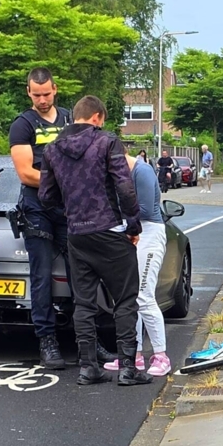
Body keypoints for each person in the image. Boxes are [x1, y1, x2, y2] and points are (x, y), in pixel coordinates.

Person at [39, 95, 152, 387]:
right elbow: (124, 187)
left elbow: (45, 196)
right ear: (97, 117)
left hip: (77, 235)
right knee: (126, 300)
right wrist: (133, 224)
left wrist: (70, 213)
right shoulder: (107, 142)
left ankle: (88, 367)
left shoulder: (52, 149)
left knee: (84, 303)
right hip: (111, 231)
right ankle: (128, 368)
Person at [9, 68, 72, 370]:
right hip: (37, 208)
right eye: (37, 95)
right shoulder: (23, 125)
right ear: (28, 92)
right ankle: (47, 341)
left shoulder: (70, 120)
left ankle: (90, 340)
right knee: (42, 276)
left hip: (71, 208)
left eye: (46, 94)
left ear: (55, 89)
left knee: (83, 273)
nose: (43, 99)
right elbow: (25, 173)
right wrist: (65, 182)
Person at [102, 152, 171, 377]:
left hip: (149, 233)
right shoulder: (123, 174)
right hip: (132, 233)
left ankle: (161, 356)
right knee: (130, 297)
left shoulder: (142, 171)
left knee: (143, 295)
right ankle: (134, 355)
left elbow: (145, 210)